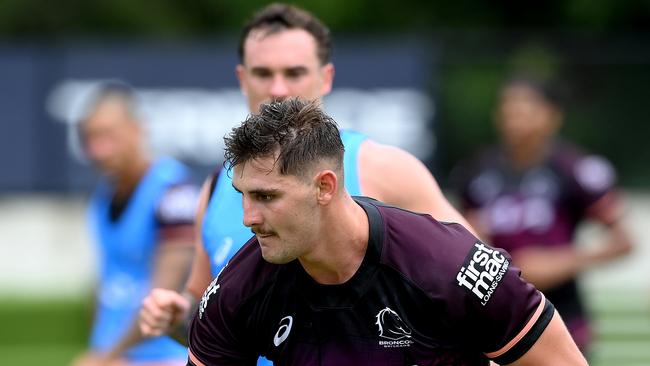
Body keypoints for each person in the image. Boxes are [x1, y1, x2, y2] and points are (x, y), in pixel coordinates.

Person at [138, 2, 475, 356]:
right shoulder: (218, 187)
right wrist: (176, 316)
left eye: (294, 72)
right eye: (264, 73)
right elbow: (209, 312)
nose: (279, 89)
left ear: (326, 77)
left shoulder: (381, 166)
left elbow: (476, 282)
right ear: (242, 79)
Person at [185, 98, 587, 365]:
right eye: (243, 195)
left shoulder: (451, 265)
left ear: (324, 187)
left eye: (267, 196)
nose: (247, 217)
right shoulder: (237, 291)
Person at [452, 74, 634, 355]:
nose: (515, 120)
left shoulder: (576, 170)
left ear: (552, 116)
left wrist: (558, 262)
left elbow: (624, 241)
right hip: (495, 316)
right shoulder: (474, 171)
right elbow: (458, 237)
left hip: (563, 315)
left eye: (525, 111)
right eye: (508, 110)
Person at [72, 82, 198, 366]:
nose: (98, 150)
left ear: (137, 129)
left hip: (164, 355)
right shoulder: (102, 197)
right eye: (90, 139)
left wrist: (108, 356)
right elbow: (104, 280)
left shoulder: (172, 192)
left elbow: (163, 293)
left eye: (107, 136)